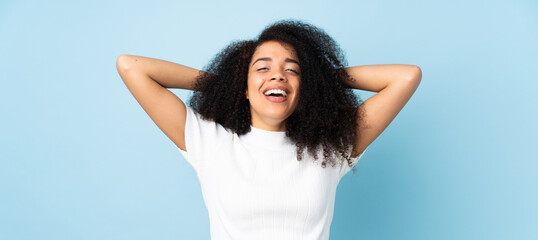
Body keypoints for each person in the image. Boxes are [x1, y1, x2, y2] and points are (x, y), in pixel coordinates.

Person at [116, 19, 421, 240]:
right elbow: (131, 66)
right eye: (262, 69)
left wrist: (320, 79)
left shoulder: (331, 147)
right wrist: (225, 83)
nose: (277, 76)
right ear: (244, 86)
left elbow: (406, 77)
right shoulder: (210, 141)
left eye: (292, 70)